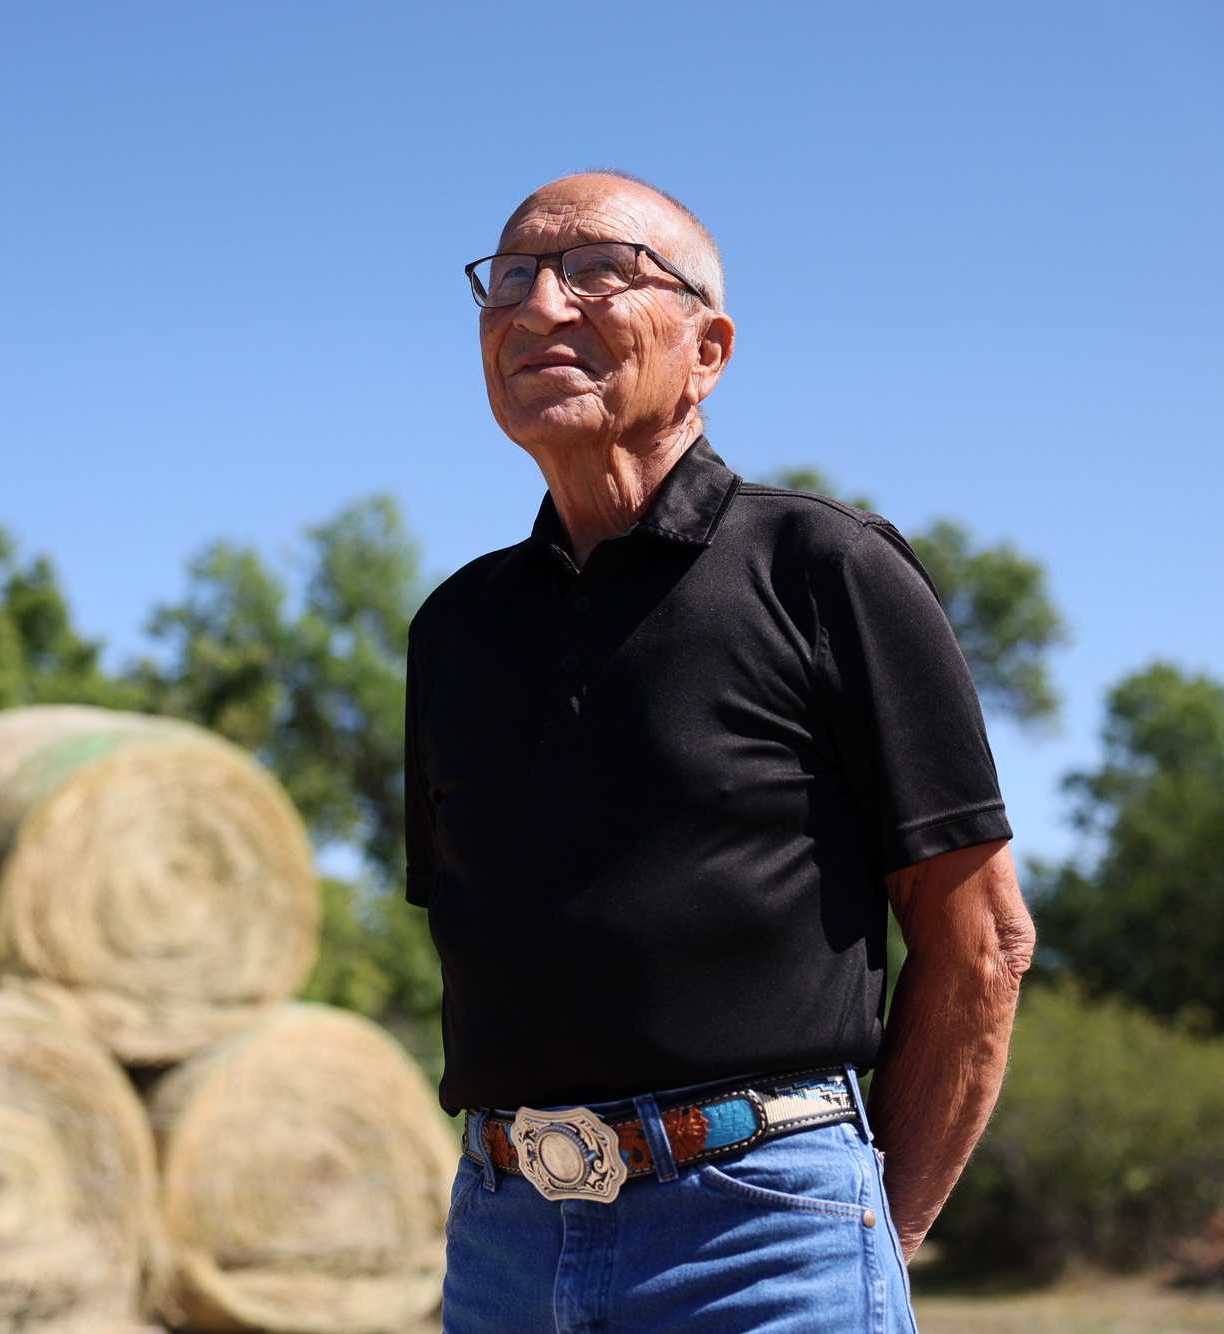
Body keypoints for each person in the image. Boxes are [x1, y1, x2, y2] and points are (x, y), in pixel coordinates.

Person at [404, 171, 1037, 1332]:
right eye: (509, 276)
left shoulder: (825, 568)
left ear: (708, 347)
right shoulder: (454, 627)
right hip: (501, 1241)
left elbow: (981, 942)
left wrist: (861, 1240)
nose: (538, 305)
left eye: (597, 269)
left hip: (763, 1236)